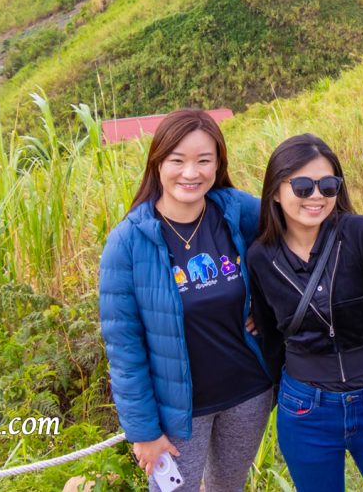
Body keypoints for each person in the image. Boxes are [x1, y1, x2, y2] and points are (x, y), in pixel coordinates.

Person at [98, 109, 274, 491]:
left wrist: (267, 311)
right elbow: (124, 349)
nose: (190, 173)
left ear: (218, 164)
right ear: (157, 163)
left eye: (203, 161)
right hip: (178, 415)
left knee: (228, 488)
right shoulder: (128, 243)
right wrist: (143, 431)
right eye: (177, 160)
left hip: (248, 393)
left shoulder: (236, 211)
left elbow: (289, 247)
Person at [247, 133, 363, 492]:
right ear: (276, 192)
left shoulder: (359, 233)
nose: (316, 196)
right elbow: (271, 338)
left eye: (328, 186)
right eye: (302, 186)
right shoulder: (261, 257)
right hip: (305, 410)